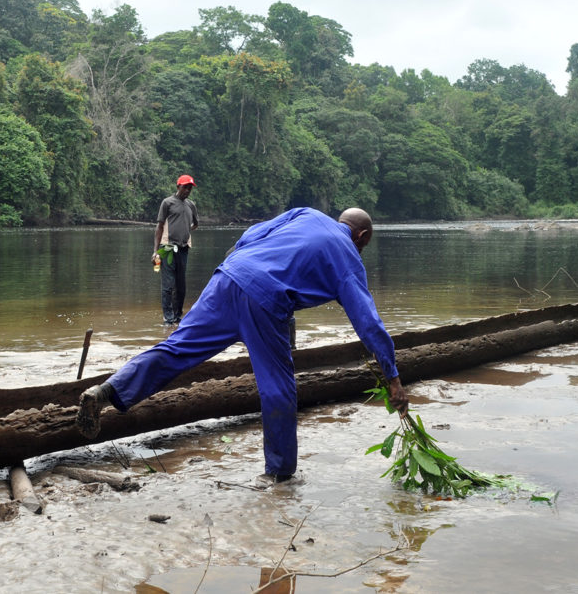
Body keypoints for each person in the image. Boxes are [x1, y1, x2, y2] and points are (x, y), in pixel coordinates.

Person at [77, 207, 408, 483]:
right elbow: (369, 325)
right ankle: (278, 475)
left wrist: (237, 272)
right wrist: (393, 379)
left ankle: (106, 391)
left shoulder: (306, 214)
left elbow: (251, 234)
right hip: (264, 301)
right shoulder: (349, 257)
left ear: (340, 220)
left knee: (176, 349)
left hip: (228, 276)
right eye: (363, 245)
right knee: (279, 389)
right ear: (362, 237)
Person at [153, 174, 199, 325]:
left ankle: (178, 315)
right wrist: (155, 251)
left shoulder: (191, 205)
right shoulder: (167, 203)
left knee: (181, 286)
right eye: (185, 187)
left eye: (190, 188)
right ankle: (168, 317)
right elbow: (159, 226)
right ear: (178, 186)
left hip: (183, 248)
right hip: (167, 247)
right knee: (168, 285)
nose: (187, 190)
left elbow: (195, 224)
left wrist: (185, 232)